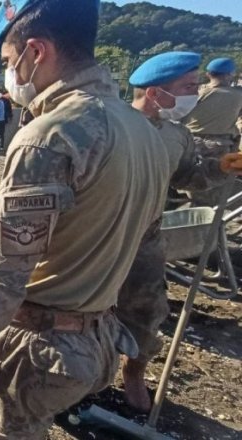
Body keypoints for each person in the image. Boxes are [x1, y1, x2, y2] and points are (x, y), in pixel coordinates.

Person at [0, 2, 171, 439]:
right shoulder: (145, 133)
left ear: (35, 52)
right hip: (95, 340)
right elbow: (148, 260)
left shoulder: (51, 136)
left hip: (33, 350)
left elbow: (1, 275)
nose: (8, 73)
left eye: (7, 61)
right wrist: (137, 347)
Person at [121, 51, 242, 412]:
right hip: (97, 233)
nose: (196, 92)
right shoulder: (112, 124)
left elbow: (189, 176)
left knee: (147, 310)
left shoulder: (177, 136)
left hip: (145, 236)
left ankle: (133, 372)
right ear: (156, 92)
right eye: (188, 87)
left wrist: (221, 167)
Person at [182, 57, 242, 206]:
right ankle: (216, 209)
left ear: (208, 74)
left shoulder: (197, 92)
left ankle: (198, 206)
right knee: (219, 178)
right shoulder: (238, 95)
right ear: (230, 74)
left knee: (193, 177)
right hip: (220, 144)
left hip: (191, 141)